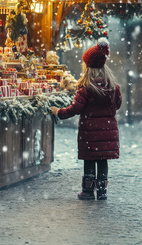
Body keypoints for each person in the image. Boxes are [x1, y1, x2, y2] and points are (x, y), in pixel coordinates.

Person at [51, 38, 122, 200]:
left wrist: (58, 112)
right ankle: (102, 192)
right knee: (103, 161)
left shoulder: (86, 89)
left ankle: (88, 191)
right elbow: (117, 105)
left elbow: (75, 109)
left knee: (89, 160)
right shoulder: (113, 87)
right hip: (108, 133)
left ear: (88, 67)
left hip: (90, 133)